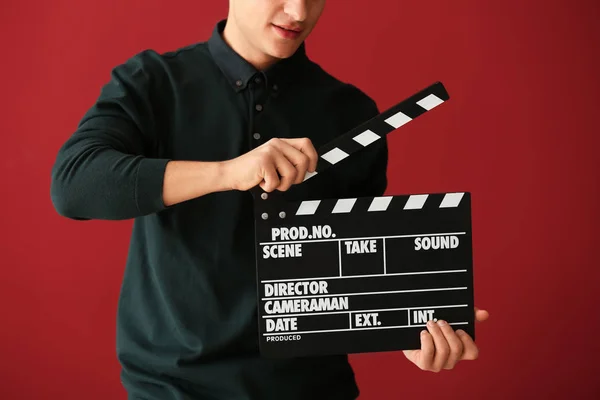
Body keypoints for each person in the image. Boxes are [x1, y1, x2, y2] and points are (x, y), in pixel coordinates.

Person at [50, 0, 489, 399]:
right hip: (173, 388)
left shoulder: (351, 112)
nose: (299, 11)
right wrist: (227, 172)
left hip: (312, 390)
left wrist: (409, 330)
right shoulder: (154, 82)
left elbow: (352, 272)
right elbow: (75, 184)